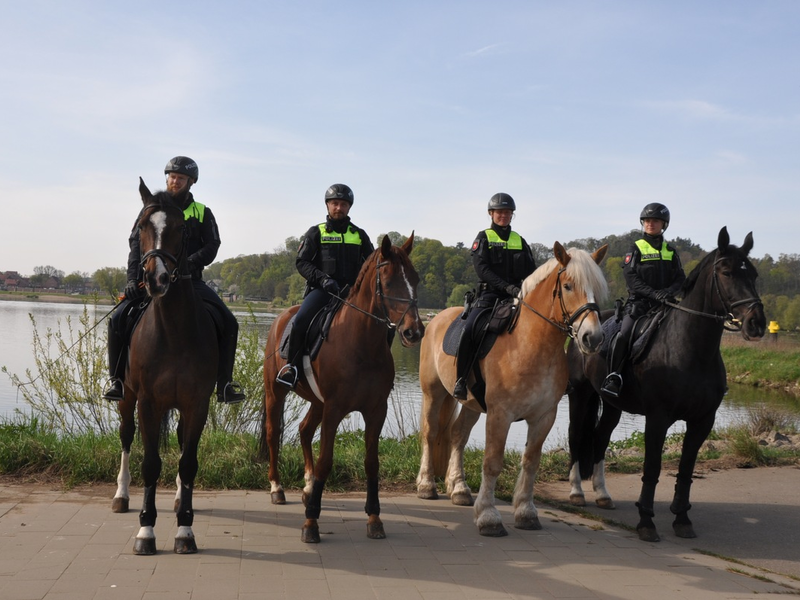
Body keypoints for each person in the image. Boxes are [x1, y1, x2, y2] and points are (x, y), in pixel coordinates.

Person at [102, 156, 246, 404]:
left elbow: (213, 245)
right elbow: (136, 245)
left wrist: (189, 263)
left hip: (191, 282)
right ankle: (116, 381)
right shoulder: (150, 209)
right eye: (171, 176)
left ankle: (224, 384)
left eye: (180, 177)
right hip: (151, 280)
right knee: (117, 319)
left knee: (229, 322)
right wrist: (131, 280)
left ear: (191, 182)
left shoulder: (202, 212)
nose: (174, 181)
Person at [276, 184, 375, 388]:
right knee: (301, 320)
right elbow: (301, 262)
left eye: (344, 204)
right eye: (335, 204)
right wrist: (322, 279)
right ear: (328, 206)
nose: (339, 208)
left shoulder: (360, 235)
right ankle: (292, 368)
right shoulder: (316, 232)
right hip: (322, 290)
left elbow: (372, 265)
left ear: (349, 208)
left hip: (352, 295)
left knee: (383, 325)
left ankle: (378, 370)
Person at [453, 193, 536, 400]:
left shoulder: (520, 240)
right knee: (471, 328)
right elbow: (483, 270)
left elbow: (531, 270)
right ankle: (461, 379)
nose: (504, 216)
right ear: (491, 214)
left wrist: (527, 289)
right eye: (500, 212)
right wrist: (508, 288)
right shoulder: (484, 237)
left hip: (518, 296)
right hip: (490, 296)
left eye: (508, 213)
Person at [600, 202, 686, 397]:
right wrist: (653, 293)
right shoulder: (636, 248)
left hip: (666, 303)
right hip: (639, 304)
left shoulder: (671, 251)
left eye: (655, 221)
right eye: (647, 221)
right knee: (625, 332)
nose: (650, 224)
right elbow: (632, 279)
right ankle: (614, 376)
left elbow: (680, 278)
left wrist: (668, 292)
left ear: (663, 224)